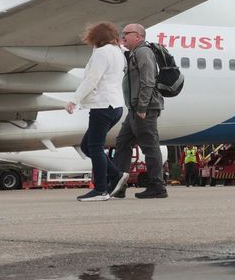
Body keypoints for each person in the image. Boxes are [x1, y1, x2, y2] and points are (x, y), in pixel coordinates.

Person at [64, 21, 126, 202]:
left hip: (102, 106)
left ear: (96, 39)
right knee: (87, 146)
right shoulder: (118, 52)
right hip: (116, 106)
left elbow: (92, 80)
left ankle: (101, 190)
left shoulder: (101, 53)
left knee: (95, 147)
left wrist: (74, 100)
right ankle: (116, 175)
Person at [108, 23, 167, 199]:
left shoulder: (143, 52)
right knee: (122, 143)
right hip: (134, 109)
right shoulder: (133, 53)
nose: (123, 36)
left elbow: (148, 81)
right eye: (122, 33)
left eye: (127, 33)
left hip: (144, 109)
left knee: (149, 146)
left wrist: (142, 107)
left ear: (139, 36)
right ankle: (119, 184)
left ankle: (157, 187)